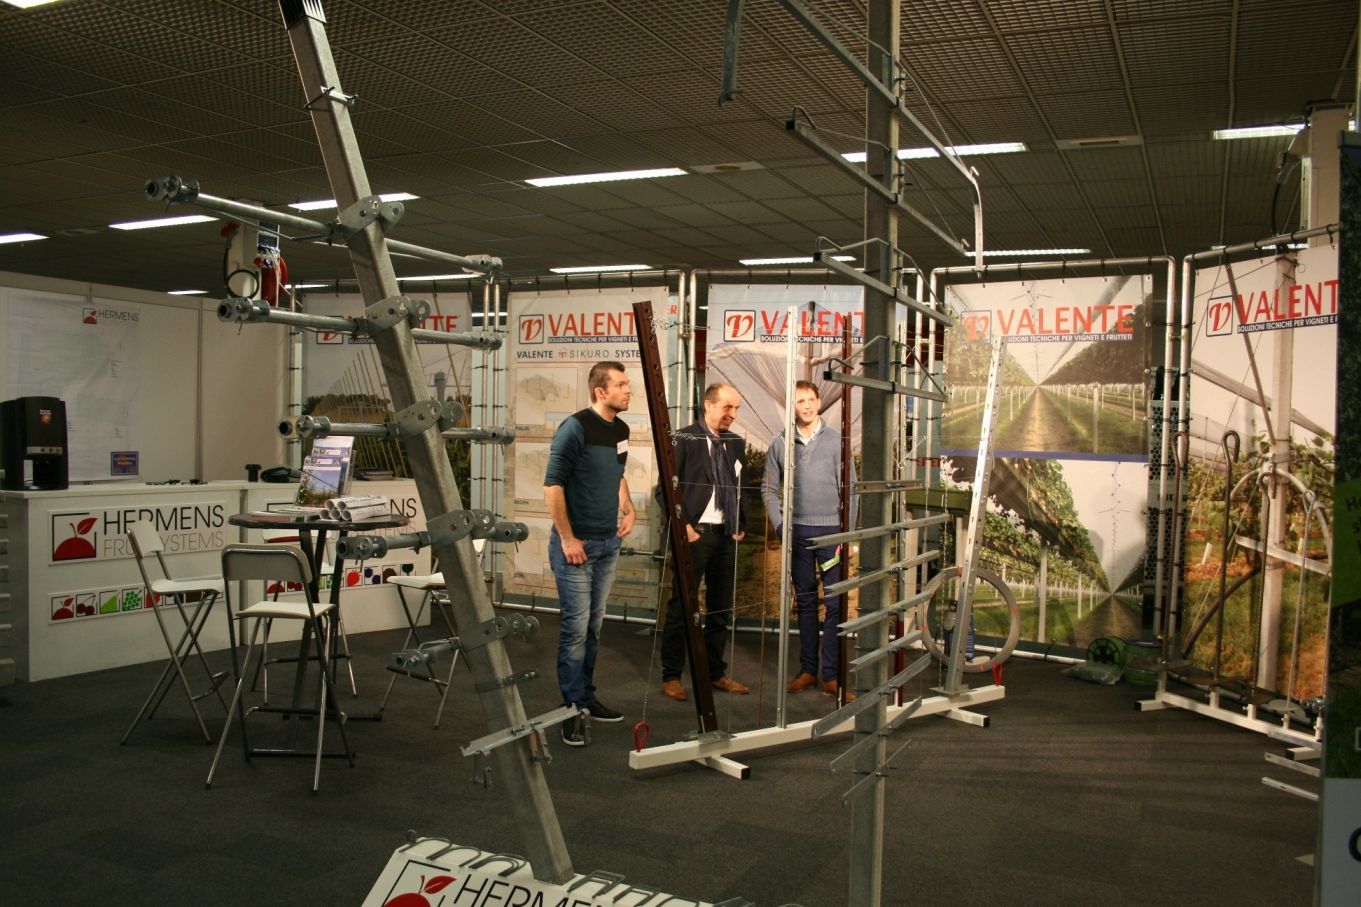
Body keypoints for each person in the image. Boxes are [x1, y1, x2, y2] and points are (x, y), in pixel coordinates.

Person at [543, 361, 637, 746]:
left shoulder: (622, 430)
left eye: (628, 384)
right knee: (575, 630)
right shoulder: (575, 427)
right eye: (621, 384)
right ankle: (571, 708)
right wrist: (568, 539)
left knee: (593, 628)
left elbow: (618, 474)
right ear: (601, 391)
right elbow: (552, 486)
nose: (628, 390)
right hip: (576, 548)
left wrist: (628, 508)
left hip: (606, 545)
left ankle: (585, 696)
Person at [762, 380, 857, 698]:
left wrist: (848, 534)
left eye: (810, 400)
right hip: (798, 535)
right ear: (792, 406)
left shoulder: (837, 441)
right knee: (804, 603)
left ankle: (830, 676)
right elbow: (768, 489)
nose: (805, 405)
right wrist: (781, 527)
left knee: (834, 603)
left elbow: (851, 491)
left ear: (819, 402)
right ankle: (807, 671)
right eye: (799, 401)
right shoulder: (780, 442)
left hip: (832, 534)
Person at [659, 382, 751, 700]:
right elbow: (665, 490)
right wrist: (684, 527)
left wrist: (740, 522)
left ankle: (715, 673)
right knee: (682, 606)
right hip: (693, 535)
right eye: (728, 407)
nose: (733, 414)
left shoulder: (736, 443)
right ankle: (671, 675)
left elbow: (741, 487)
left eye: (737, 408)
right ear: (708, 405)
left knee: (719, 608)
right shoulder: (682, 439)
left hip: (725, 537)